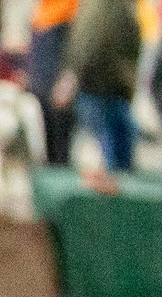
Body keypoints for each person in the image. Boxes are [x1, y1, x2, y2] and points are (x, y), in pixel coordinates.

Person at [59, 0, 144, 170]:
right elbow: (86, 39)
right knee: (104, 161)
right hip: (97, 90)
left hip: (115, 91)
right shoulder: (100, 5)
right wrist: (71, 75)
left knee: (117, 162)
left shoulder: (123, 7)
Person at [29, 0, 80, 170]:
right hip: (40, 90)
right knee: (45, 148)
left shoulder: (70, 8)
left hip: (59, 92)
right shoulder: (42, 12)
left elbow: (74, 53)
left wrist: (67, 82)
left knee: (60, 150)